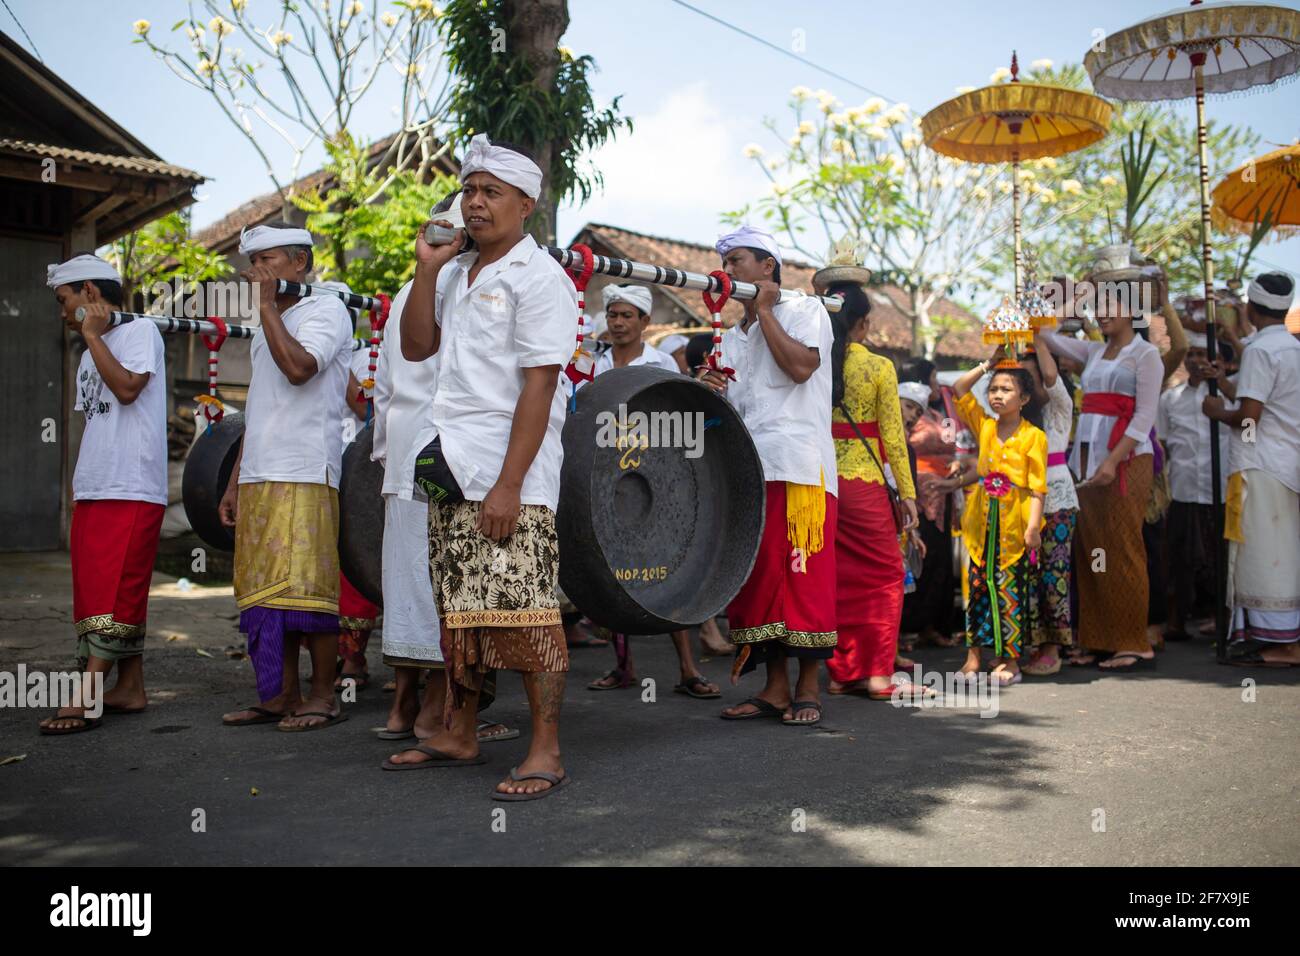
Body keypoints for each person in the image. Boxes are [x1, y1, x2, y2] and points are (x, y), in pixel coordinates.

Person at [397, 134, 576, 800]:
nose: (475, 203)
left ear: (525, 204)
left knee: (527, 613)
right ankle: (459, 731)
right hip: (451, 459)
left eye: (490, 192)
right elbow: (417, 348)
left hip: (514, 478)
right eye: (469, 190)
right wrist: (425, 267)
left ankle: (547, 749)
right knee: (463, 611)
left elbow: (539, 386)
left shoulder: (540, 279)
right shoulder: (454, 274)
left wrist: (508, 485)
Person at [699, 225, 837, 727]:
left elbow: (802, 368)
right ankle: (774, 689)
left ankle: (807, 688)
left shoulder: (806, 310)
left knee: (803, 581)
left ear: (767, 267)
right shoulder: (729, 338)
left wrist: (764, 310)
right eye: (726, 262)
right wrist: (707, 388)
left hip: (801, 469)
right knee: (759, 583)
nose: (728, 270)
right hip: (752, 472)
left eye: (737, 261)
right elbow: (728, 413)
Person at [218, 222, 354, 729]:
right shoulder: (268, 321)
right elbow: (259, 409)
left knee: (306, 590)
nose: (256, 273)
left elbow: (300, 369)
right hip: (258, 474)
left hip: (304, 471)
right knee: (262, 592)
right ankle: (279, 695)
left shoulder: (327, 310)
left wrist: (268, 308)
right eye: (253, 264)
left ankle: (323, 695)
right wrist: (234, 481)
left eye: (267, 261)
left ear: (299, 263)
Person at [40, 255, 168, 734]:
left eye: (64, 300)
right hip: (95, 483)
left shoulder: (139, 333)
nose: (61, 312)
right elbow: (95, 418)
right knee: (95, 591)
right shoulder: (86, 352)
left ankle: (87, 692)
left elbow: (130, 390)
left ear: (89, 293)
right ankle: (129, 687)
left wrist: (93, 335)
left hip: (132, 484)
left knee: (120, 588)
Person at [584, 284, 720, 699]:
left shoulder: (660, 362)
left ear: (645, 322)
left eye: (627, 316)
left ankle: (688, 668)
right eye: (613, 315)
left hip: (655, 477)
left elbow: (676, 418)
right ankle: (623, 666)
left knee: (666, 572)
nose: (619, 323)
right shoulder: (592, 363)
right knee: (612, 573)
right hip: (604, 478)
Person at [1044, 268, 1164, 671]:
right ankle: (1097, 639)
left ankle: (1133, 640)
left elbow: (1145, 416)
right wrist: (1076, 297)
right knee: (1092, 548)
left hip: (1127, 460)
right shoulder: (1093, 353)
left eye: (1109, 305)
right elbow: (1043, 334)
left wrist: (1113, 461)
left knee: (1123, 547)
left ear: (1133, 311)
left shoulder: (1146, 355)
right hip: (1088, 460)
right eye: (1097, 307)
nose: (1100, 313)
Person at [821, 281, 927, 701]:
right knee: (885, 575)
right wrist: (907, 492)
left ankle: (842, 671)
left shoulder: (812, 362)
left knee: (839, 575)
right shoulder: (878, 367)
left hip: (823, 479)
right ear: (863, 323)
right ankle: (879, 675)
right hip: (863, 483)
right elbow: (894, 437)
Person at [1203, 272, 1300, 663]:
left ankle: (1286, 643)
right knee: (1283, 550)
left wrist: (1218, 412)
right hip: (1285, 462)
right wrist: (1223, 383)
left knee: (1266, 553)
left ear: (1250, 307)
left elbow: (1249, 418)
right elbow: (1261, 401)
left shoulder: (1261, 352)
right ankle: (1280, 637)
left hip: (1262, 464)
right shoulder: (1290, 348)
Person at [951, 349, 1047, 684]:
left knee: (1010, 590)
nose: (997, 395)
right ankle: (974, 657)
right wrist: (987, 365)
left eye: (1006, 390)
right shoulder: (985, 427)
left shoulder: (1034, 437)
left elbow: (1037, 489)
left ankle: (1011, 661)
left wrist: (1033, 527)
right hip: (982, 521)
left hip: (1014, 525)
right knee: (976, 587)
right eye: (994, 389)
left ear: (1024, 398)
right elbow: (960, 389)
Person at [319, 279, 381, 690]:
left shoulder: (368, 357)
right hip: (319, 471)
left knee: (356, 571)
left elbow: (367, 407)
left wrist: (337, 367)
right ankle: (328, 659)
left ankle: (353, 659)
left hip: (358, 480)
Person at [1157, 330, 1235, 642]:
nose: (1197, 360)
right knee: (1179, 557)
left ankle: (1222, 621)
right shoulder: (1170, 399)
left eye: (1204, 354)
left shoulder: (1229, 395)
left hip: (1221, 488)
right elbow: (1163, 444)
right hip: (1184, 488)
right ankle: (1175, 621)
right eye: (1192, 354)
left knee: (1220, 557)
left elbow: (1248, 424)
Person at [898, 356, 974, 649]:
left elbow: (952, 441)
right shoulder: (905, 414)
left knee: (940, 560)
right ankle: (908, 627)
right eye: (931, 379)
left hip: (943, 494)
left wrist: (955, 463)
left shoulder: (936, 412)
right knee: (920, 558)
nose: (935, 385)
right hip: (918, 492)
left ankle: (933, 624)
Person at [1019, 335, 1080, 676]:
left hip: (1057, 501)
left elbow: (1053, 379)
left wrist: (1039, 338)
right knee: (1030, 575)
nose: (1029, 385)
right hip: (1024, 504)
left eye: (1033, 377)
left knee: (1054, 574)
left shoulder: (1058, 410)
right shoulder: (1018, 419)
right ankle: (1034, 642)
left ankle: (1053, 647)